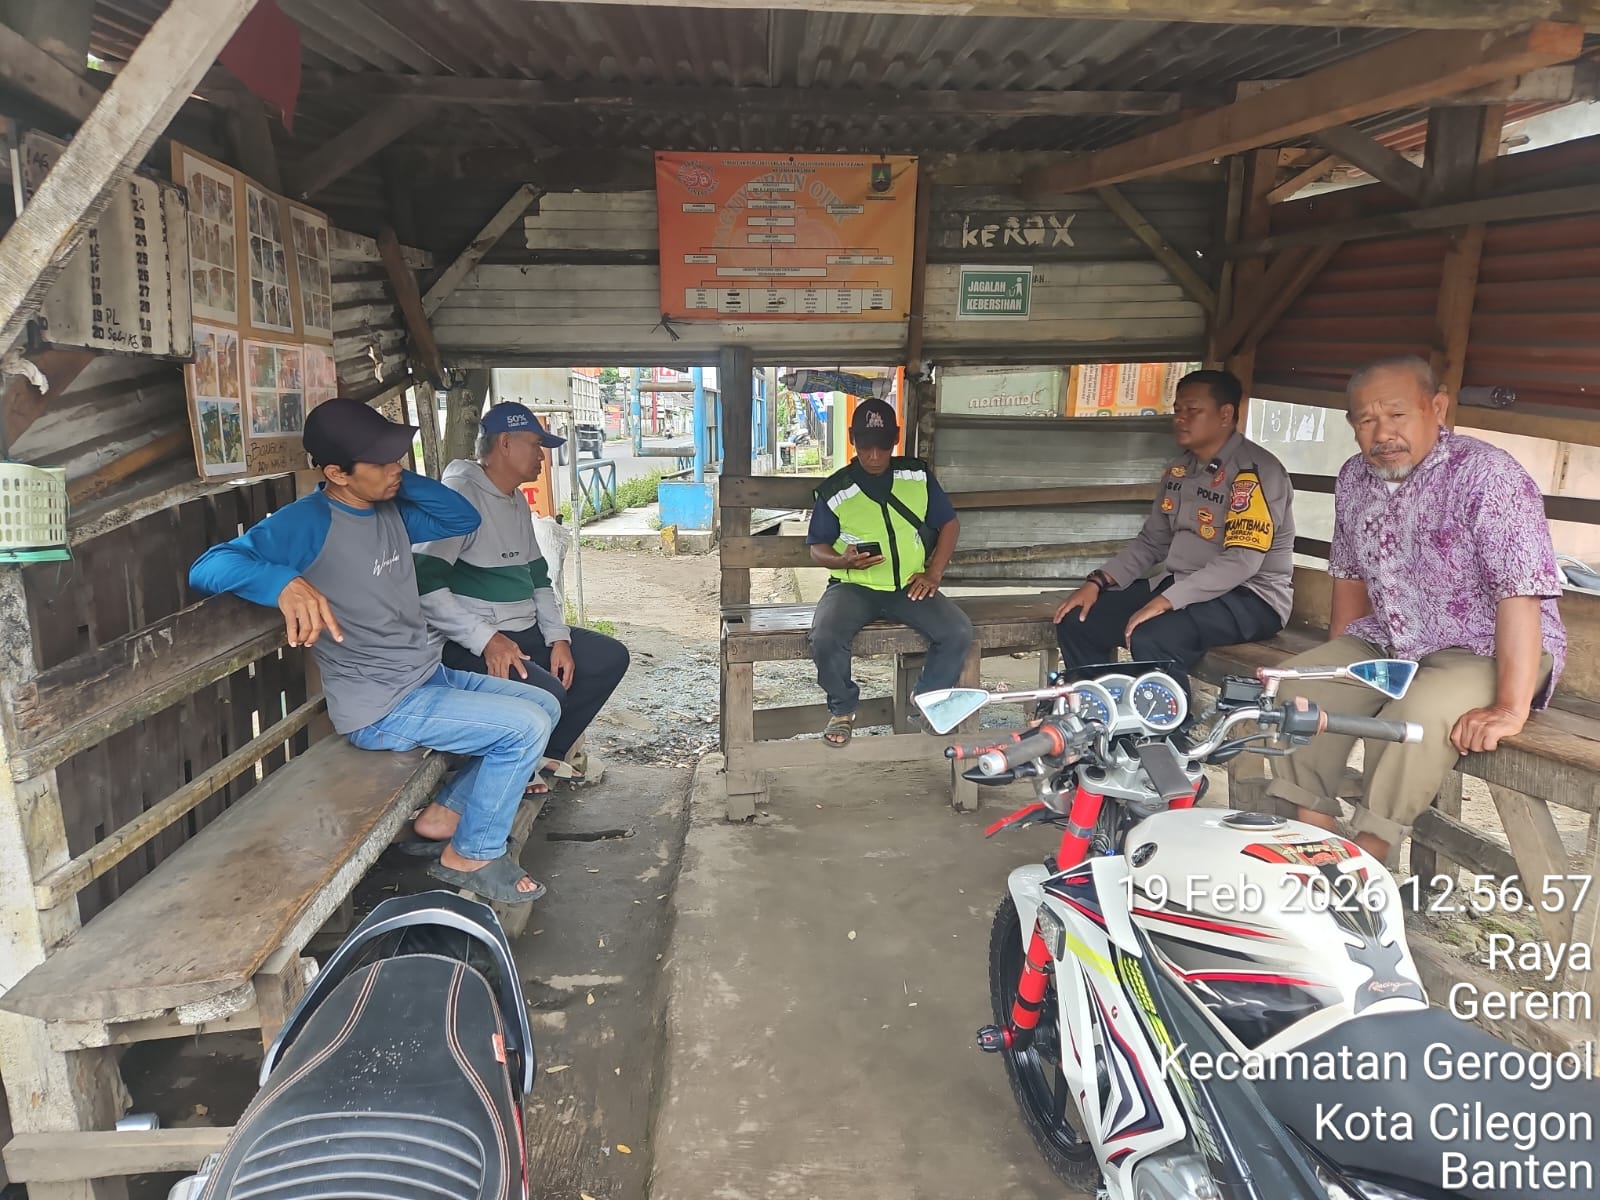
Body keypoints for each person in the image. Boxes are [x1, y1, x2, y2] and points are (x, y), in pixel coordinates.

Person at [188, 397, 561, 905]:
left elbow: (460, 515)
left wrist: (392, 475)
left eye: (396, 459)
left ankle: (447, 813)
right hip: (380, 705)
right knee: (525, 728)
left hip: (423, 678)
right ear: (336, 473)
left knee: (545, 704)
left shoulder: (390, 509)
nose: (396, 470)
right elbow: (208, 566)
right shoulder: (308, 522)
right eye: (382, 462)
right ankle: (472, 855)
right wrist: (282, 583)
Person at [1265, 356, 1566, 867]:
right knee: (1296, 688)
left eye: (1397, 415)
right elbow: (1350, 576)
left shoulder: (1488, 475)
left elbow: (1519, 593)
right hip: (1389, 637)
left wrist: (1510, 708)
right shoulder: (1354, 478)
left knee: (1414, 717)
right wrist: (1344, 671)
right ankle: (1314, 836)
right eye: (1366, 419)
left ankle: (1369, 859)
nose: (1383, 433)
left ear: (1437, 407)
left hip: (1487, 646)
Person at [1053, 369, 1294, 715]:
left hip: (1250, 598)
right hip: (1183, 586)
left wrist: (1168, 600)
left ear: (1225, 414)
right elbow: (1152, 542)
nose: (1180, 418)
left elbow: (1242, 561)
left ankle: (1169, 736)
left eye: (1192, 410)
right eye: (1178, 409)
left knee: (1153, 636)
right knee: (1079, 619)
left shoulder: (1255, 472)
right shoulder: (1180, 471)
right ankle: (1100, 719)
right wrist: (1097, 582)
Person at [415, 402, 631, 775]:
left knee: (608, 657)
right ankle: (495, 773)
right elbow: (424, 584)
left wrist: (558, 639)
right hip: (469, 643)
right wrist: (486, 640)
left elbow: (539, 579)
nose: (542, 457)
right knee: (548, 693)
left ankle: (540, 759)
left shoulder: (515, 498)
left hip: (522, 630)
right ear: (504, 444)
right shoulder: (459, 495)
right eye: (535, 445)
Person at [805, 397, 973, 746]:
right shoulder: (836, 490)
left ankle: (925, 700)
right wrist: (842, 561)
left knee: (957, 630)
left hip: (909, 586)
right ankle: (843, 710)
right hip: (853, 587)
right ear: (852, 439)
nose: (874, 456)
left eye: (882, 446)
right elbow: (817, 547)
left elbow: (949, 524)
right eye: (865, 446)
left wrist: (933, 574)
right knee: (825, 635)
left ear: (895, 439)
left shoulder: (917, 476)